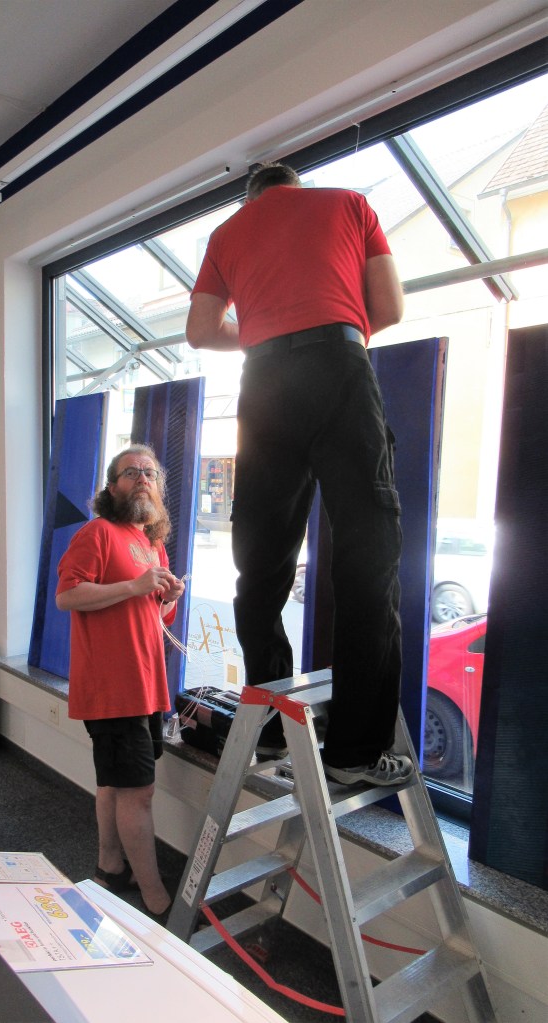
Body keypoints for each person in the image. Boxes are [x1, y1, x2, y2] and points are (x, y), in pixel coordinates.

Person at [185, 161, 413, 787]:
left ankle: (270, 723)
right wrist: (331, 331)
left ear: (253, 197)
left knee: (260, 560)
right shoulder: (349, 204)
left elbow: (201, 331)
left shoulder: (227, 234)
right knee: (368, 554)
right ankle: (353, 752)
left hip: (264, 381)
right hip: (338, 363)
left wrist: (263, 334)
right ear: (297, 186)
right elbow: (389, 307)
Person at [56, 444, 185, 919]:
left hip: (146, 684)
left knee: (115, 782)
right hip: (113, 689)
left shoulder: (150, 542)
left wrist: (168, 597)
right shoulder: (98, 532)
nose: (143, 478)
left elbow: (152, 613)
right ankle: (155, 896)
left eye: (150, 472)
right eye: (131, 472)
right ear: (112, 487)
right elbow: (67, 596)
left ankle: (110, 866)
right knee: (138, 792)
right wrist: (134, 585)